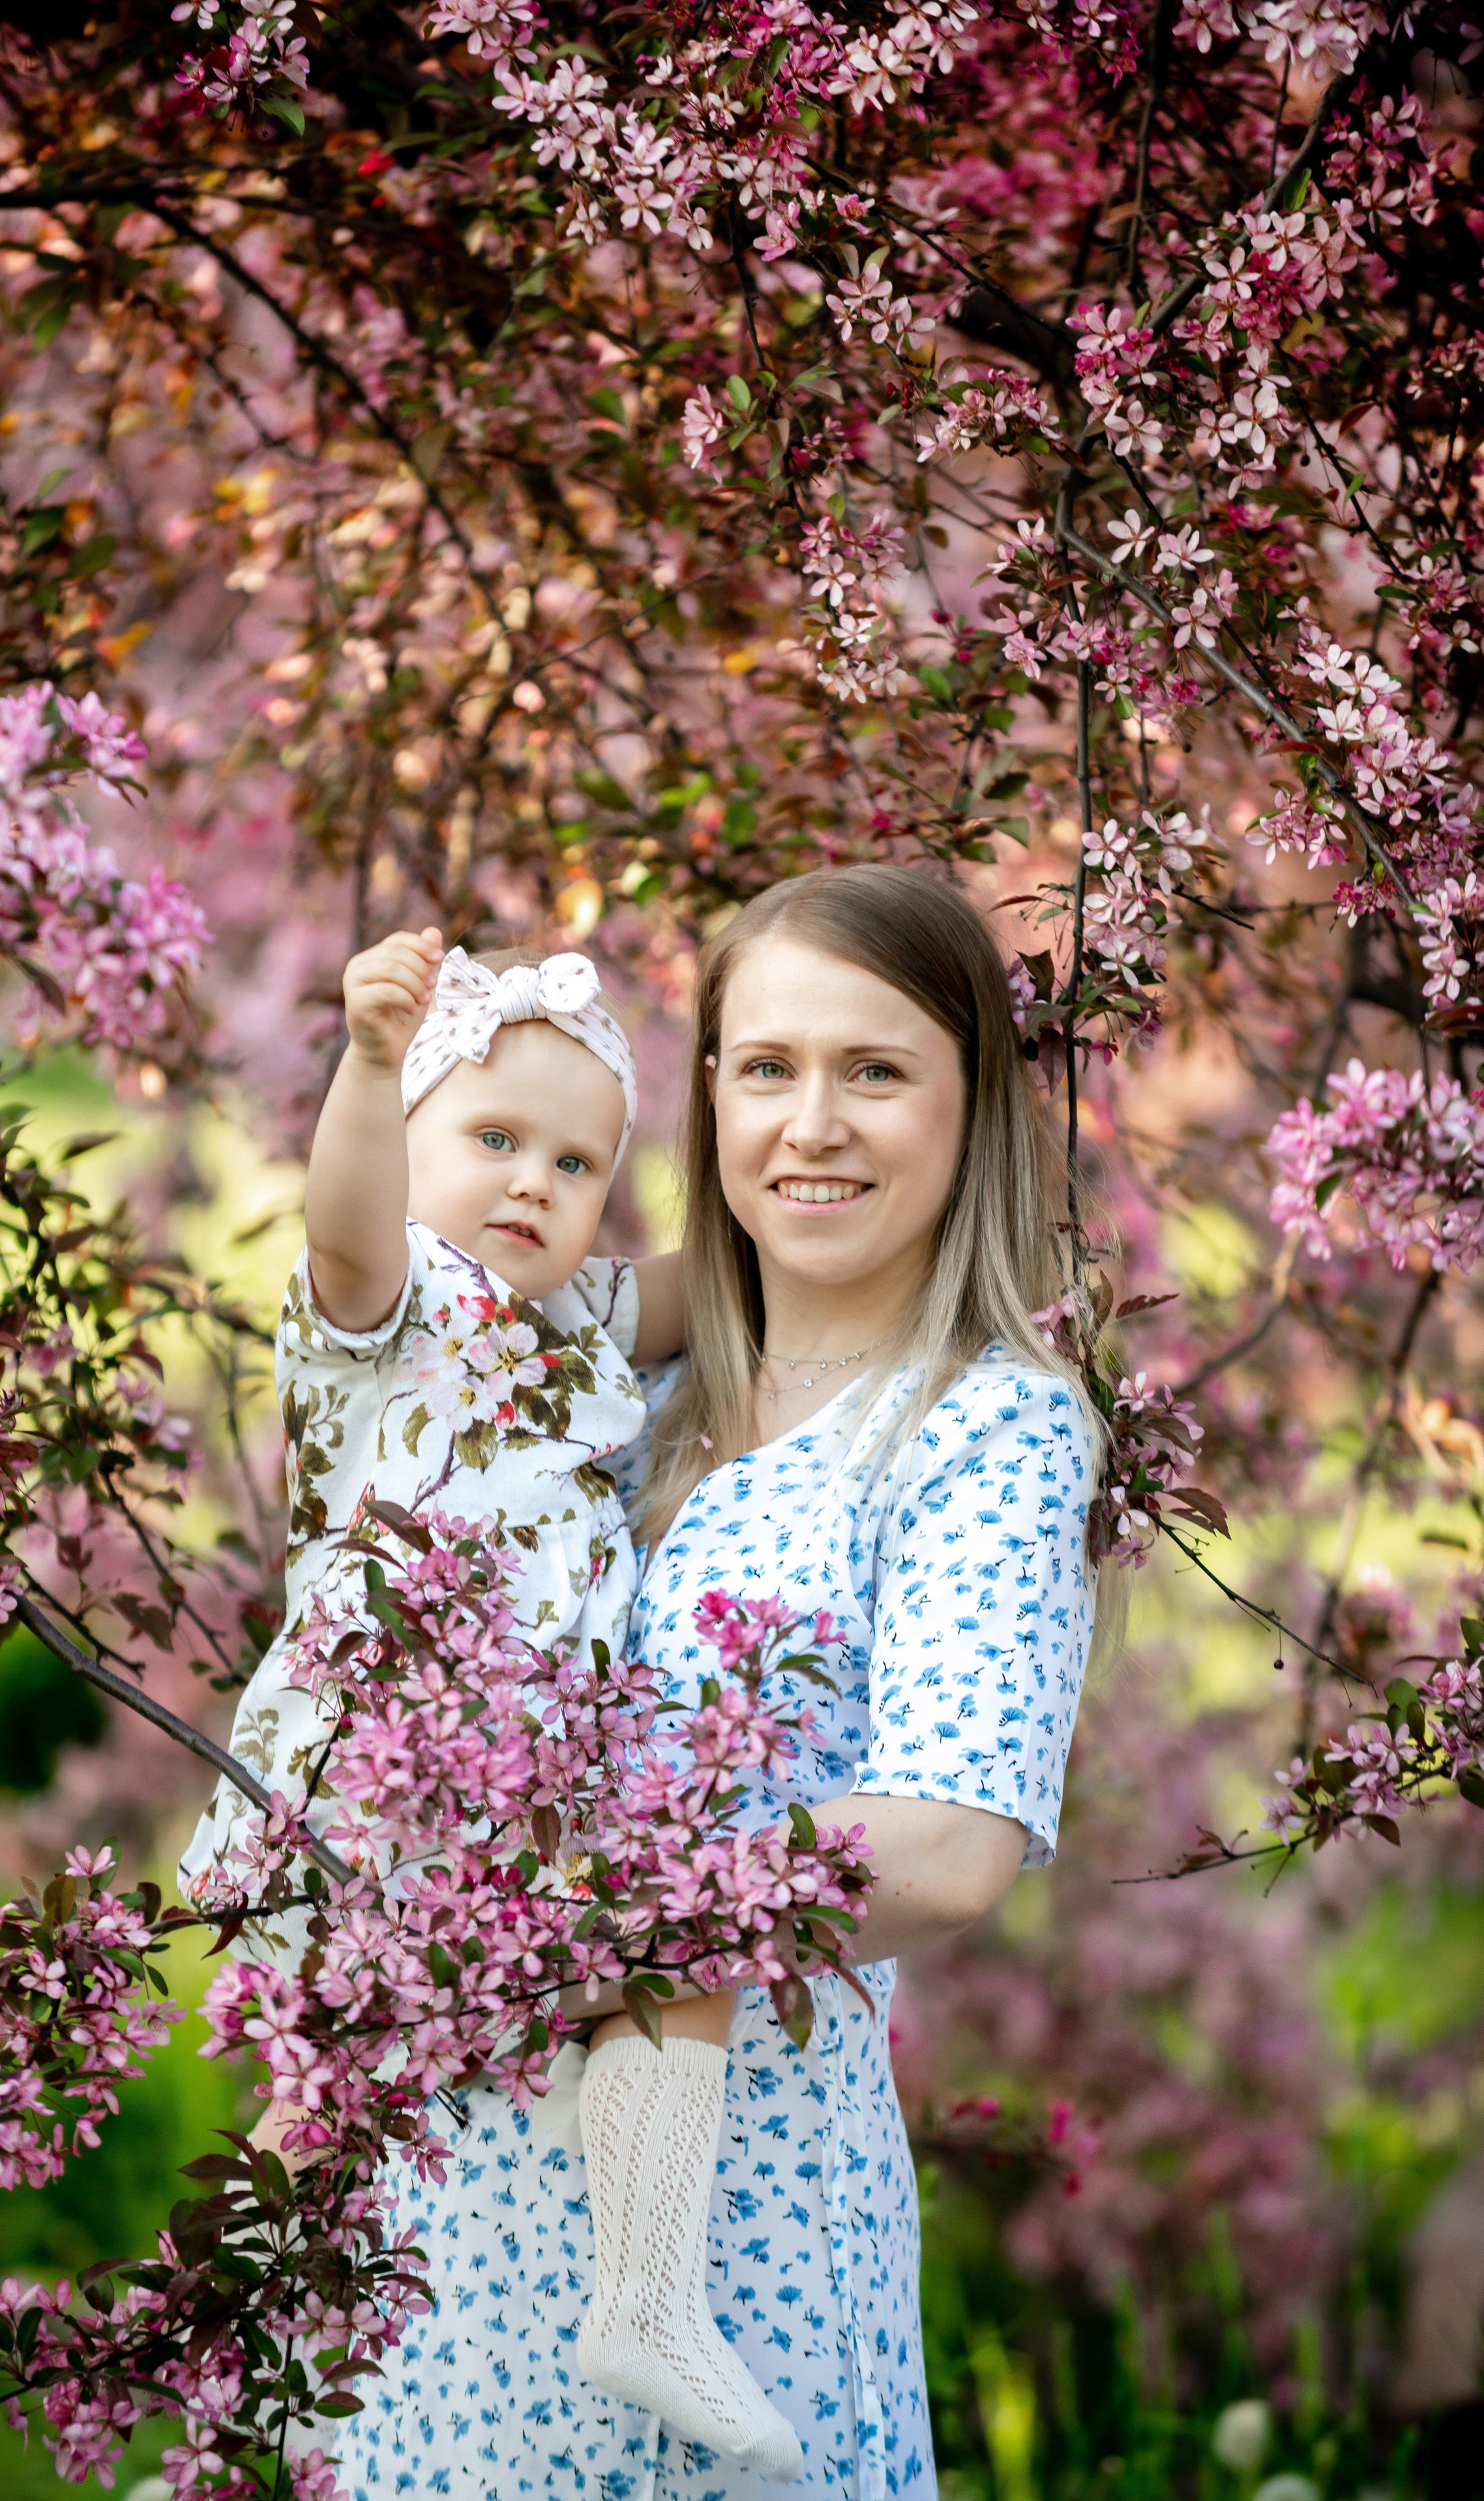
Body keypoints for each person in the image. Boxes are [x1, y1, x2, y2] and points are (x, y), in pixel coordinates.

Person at [332, 862, 1100, 2500]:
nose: (809, 1124)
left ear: (974, 1111)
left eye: (874, 1071)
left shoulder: (983, 1427)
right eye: (766, 1069)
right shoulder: (631, 1377)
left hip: (729, 2260)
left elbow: (952, 1846)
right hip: (452, 2234)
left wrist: (542, 1918)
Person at [178, 929, 802, 2478]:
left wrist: (793, 1151)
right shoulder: (394, 1301)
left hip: (530, 1768)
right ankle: (232, 2338)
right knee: (392, 2044)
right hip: (390, 1759)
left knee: (646, 1954)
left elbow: (722, 1274)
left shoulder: (573, 1322)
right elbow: (342, 1221)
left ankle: (630, 2299)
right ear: (415, 1152)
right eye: (493, 1139)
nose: (532, 1183)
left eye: (578, 1163)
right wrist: (376, 1068)